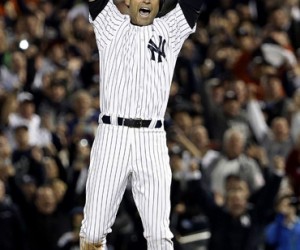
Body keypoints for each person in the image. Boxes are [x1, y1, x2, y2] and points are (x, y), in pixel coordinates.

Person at [80, 0, 203, 249]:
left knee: (159, 234)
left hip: (152, 139)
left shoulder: (170, 29)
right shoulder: (109, 24)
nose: (146, 0)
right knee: (93, 232)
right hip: (112, 136)